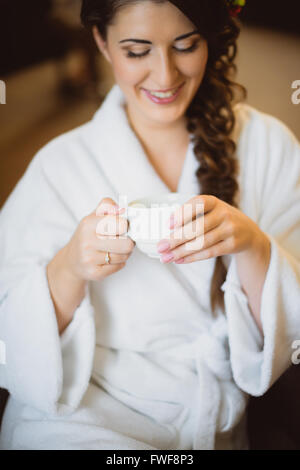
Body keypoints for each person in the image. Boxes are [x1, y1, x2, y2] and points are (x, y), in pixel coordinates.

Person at [0, 0, 299, 450]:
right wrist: (68, 268)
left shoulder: (268, 145)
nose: (165, 76)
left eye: (185, 45)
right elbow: (9, 339)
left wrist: (253, 247)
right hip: (83, 412)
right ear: (101, 42)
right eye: (137, 51)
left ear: (212, 39)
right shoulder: (60, 166)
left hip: (203, 413)